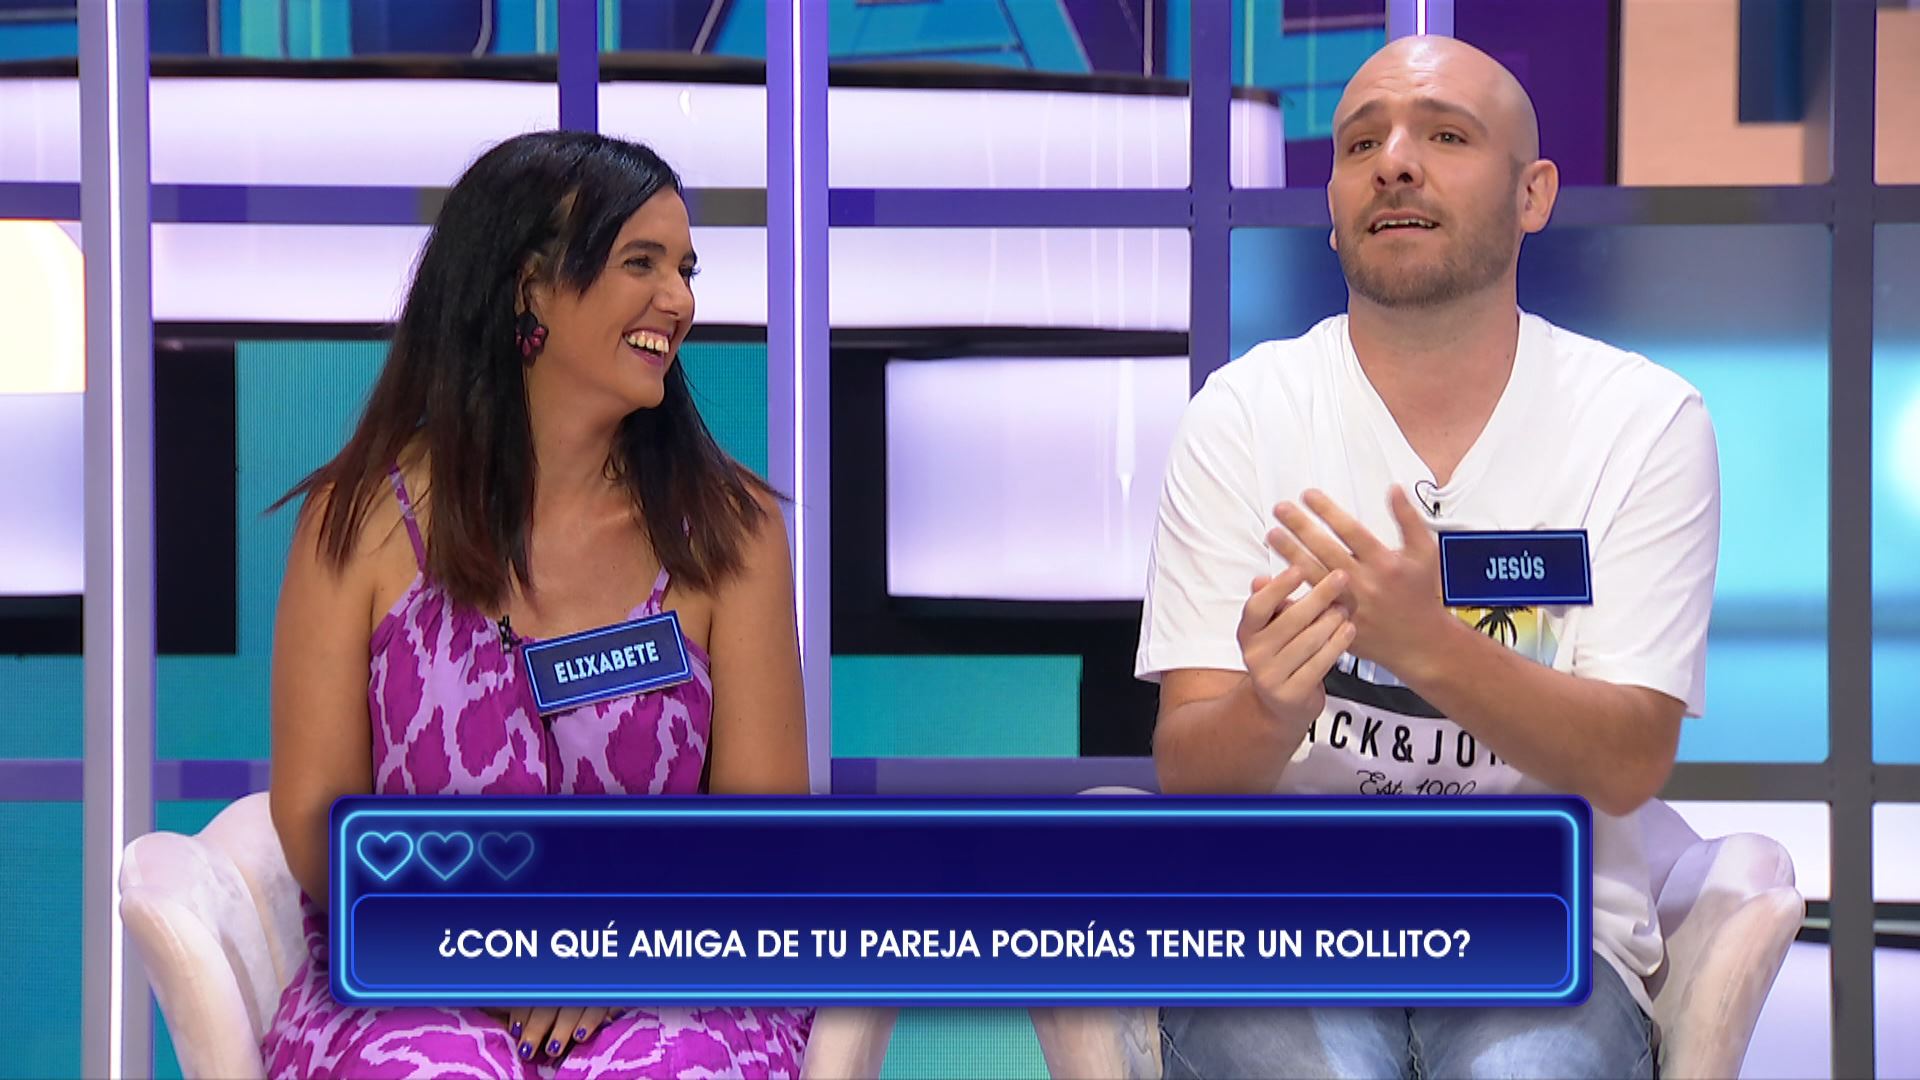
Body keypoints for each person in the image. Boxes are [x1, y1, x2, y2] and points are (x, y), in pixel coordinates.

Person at [1137, 36, 1719, 1080]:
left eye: (1446, 136)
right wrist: (1269, 709)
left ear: (1534, 194)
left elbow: (1629, 759)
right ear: (1333, 203)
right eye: (1362, 144)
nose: (1394, 163)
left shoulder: (1642, 421)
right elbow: (1190, 770)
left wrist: (1429, 645)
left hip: (1543, 928)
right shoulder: (1243, 413)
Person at [261, 131, 812, 1079]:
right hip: (419, 958)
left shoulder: (730, 530)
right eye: (641, 263)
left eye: (685, 270)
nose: (679, 300)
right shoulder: (359, 522)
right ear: (530, 287)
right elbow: (316, 817)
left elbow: (761, 836)